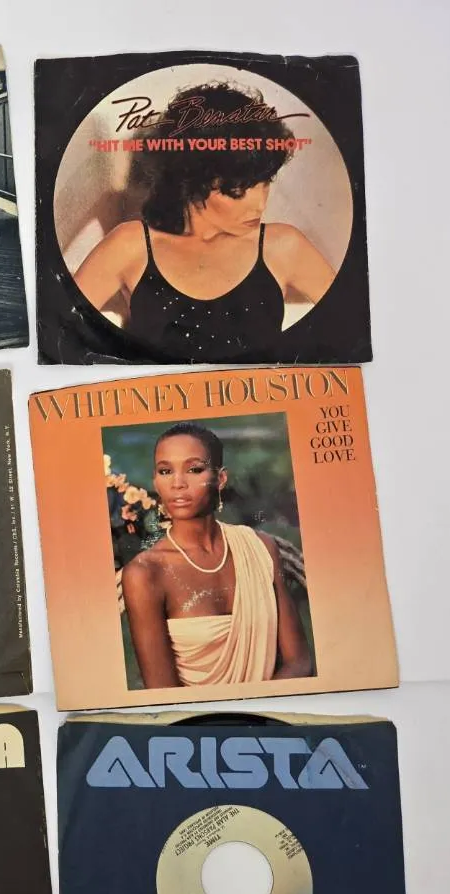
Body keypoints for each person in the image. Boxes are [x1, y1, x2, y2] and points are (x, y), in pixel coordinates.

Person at [71, 82, 337, 361]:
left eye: (265, 183)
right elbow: (60, 334)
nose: (260, 204)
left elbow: (353, 327)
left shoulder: (283, 246)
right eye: (238, 191)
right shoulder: (129, 245)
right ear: (190, 183)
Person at [120, 422, 314, 687]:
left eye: (194, 469)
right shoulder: (145, 573)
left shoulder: (260, 548)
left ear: (220, 479)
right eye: (165, 471)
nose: (178, 483)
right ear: (155, 480)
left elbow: (300, 663)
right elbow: (164, 695)